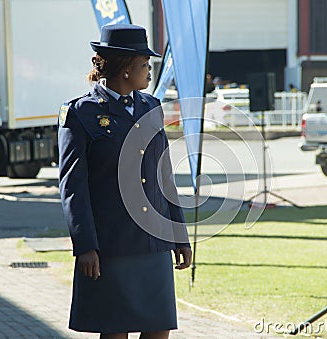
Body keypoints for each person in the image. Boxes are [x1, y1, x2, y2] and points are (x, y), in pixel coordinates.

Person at [58, 24, 192, 339]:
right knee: (115, 332)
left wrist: (180, 235)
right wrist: (86, 245)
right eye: (144, 65)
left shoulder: (152, 107)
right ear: (125, 68)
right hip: (111, 245)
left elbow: (165, 177)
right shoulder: (80, 113)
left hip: (154, 241)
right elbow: (73, 188)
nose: (149, 71)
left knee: (159, 330)